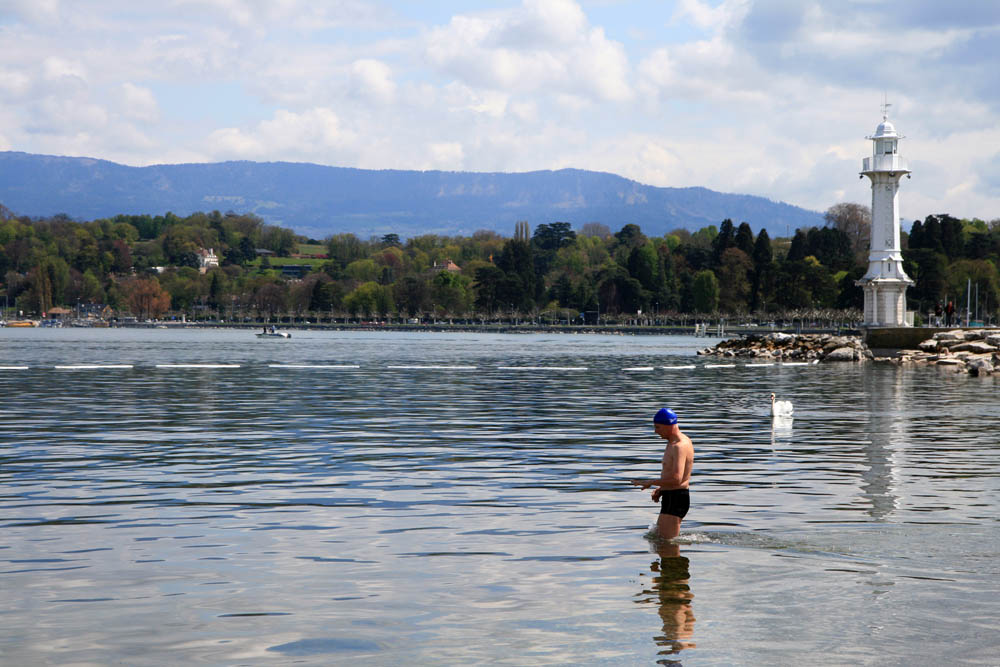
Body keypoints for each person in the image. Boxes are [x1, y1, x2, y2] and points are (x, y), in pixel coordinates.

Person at [630, 408, 694, 539]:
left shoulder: (679, 446)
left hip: (676, 499)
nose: (655, 431)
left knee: (667, 546)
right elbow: (675, 476)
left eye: (658, 427)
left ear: (669, 425)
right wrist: (662, 489)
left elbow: (677, 479)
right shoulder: (674, 442)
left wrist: (651, 482)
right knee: (661, 542)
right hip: (671, 496)